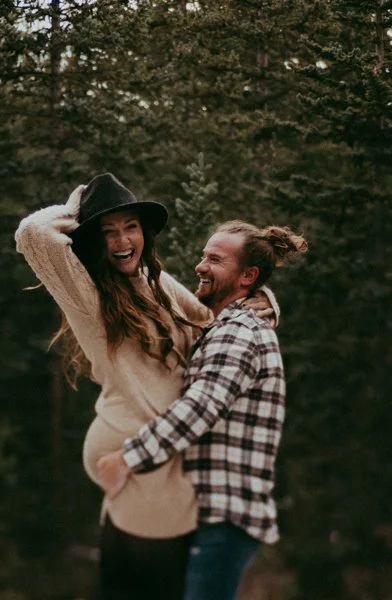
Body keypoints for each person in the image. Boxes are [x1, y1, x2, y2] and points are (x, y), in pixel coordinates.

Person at [14, 174, 278, 600]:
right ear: (93, 240)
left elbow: (211, 318)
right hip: (143, 460)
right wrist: (78, 206)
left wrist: (263, 302)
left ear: (144, 233)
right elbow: (31, 234)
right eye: (108, 230)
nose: (121, 240)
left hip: (146, 460)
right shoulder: (89, 291)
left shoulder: (153, 280)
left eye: (130, 226)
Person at [96, 219, 308, 600]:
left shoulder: (239, 332)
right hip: (207, 516)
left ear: (248, 277)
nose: (200, 266)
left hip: (222, 516)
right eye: (202, 255)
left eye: (215, 259)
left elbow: (199, 408)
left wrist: (127, 459)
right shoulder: (226, 326)